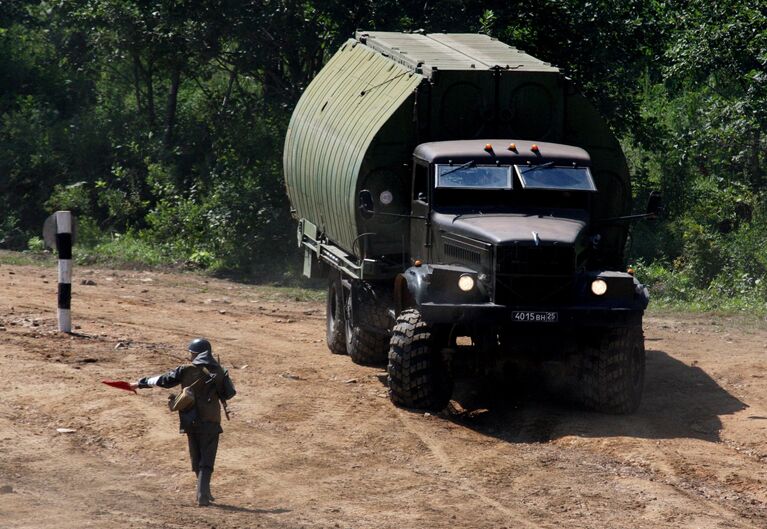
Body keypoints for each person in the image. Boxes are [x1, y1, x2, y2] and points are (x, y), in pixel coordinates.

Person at [131, 338, 236, 506]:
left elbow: (163, 380)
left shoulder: (185, 370)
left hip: (189, 419)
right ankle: (202, 494)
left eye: (191, 353)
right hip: (211, 421)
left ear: (195, 353)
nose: (190, 356)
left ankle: (204, 492)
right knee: (207, 459)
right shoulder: (220, 371)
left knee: (196, 456)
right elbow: (229, 394)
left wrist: (138, 384)